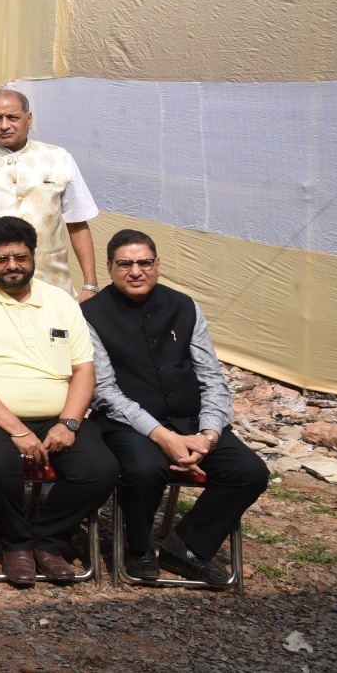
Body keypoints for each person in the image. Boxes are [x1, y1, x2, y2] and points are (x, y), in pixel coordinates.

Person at [82, 228, 267, 584]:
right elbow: (104, 391)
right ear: (109, 268)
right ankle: (138, 548)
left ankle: (186, 548)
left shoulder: (185, 306)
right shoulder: (90, 315)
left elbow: (211, 377)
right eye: (125, 264)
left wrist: (208, 435)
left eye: (144, 263)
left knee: (249, 472)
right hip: (128, 424)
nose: (136, 271)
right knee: (144, 468)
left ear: (158, 265)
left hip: (192, 421)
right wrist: (162, 436)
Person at [0, 216, 117, 587]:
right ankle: (16, 542)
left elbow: (84, 371)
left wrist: (69, 423)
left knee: (100, 468)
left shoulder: (61, 302)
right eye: (1, 259)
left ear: (33, 257)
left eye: (20, 257)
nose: (12, 266)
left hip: (56, 417)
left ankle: (47, 540)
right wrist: (17, 430)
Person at [0, 89, 101, 299]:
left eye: (13, 117)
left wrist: (90, 285)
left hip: (49, 280)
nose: (4, 125)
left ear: (29, 119)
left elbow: (78, 223)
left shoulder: (58, 159)